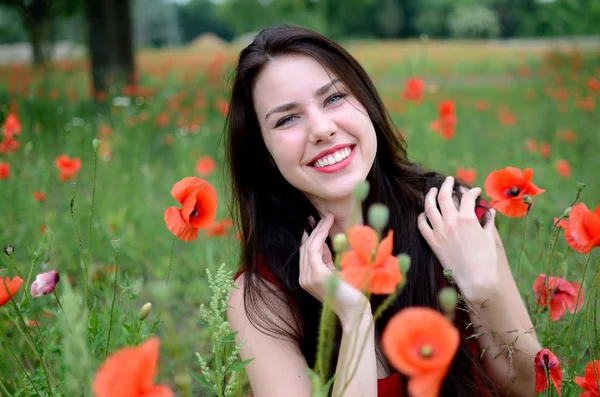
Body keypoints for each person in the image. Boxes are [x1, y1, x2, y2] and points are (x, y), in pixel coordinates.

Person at [225, 25, 541, 397]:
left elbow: (531, 387)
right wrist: (354, 318)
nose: (322, 129)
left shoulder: (453, 218)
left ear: (367, 103)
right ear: (264, 154)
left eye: (333, 98)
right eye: (287, 119)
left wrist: (484, 288)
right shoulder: (263, 296)